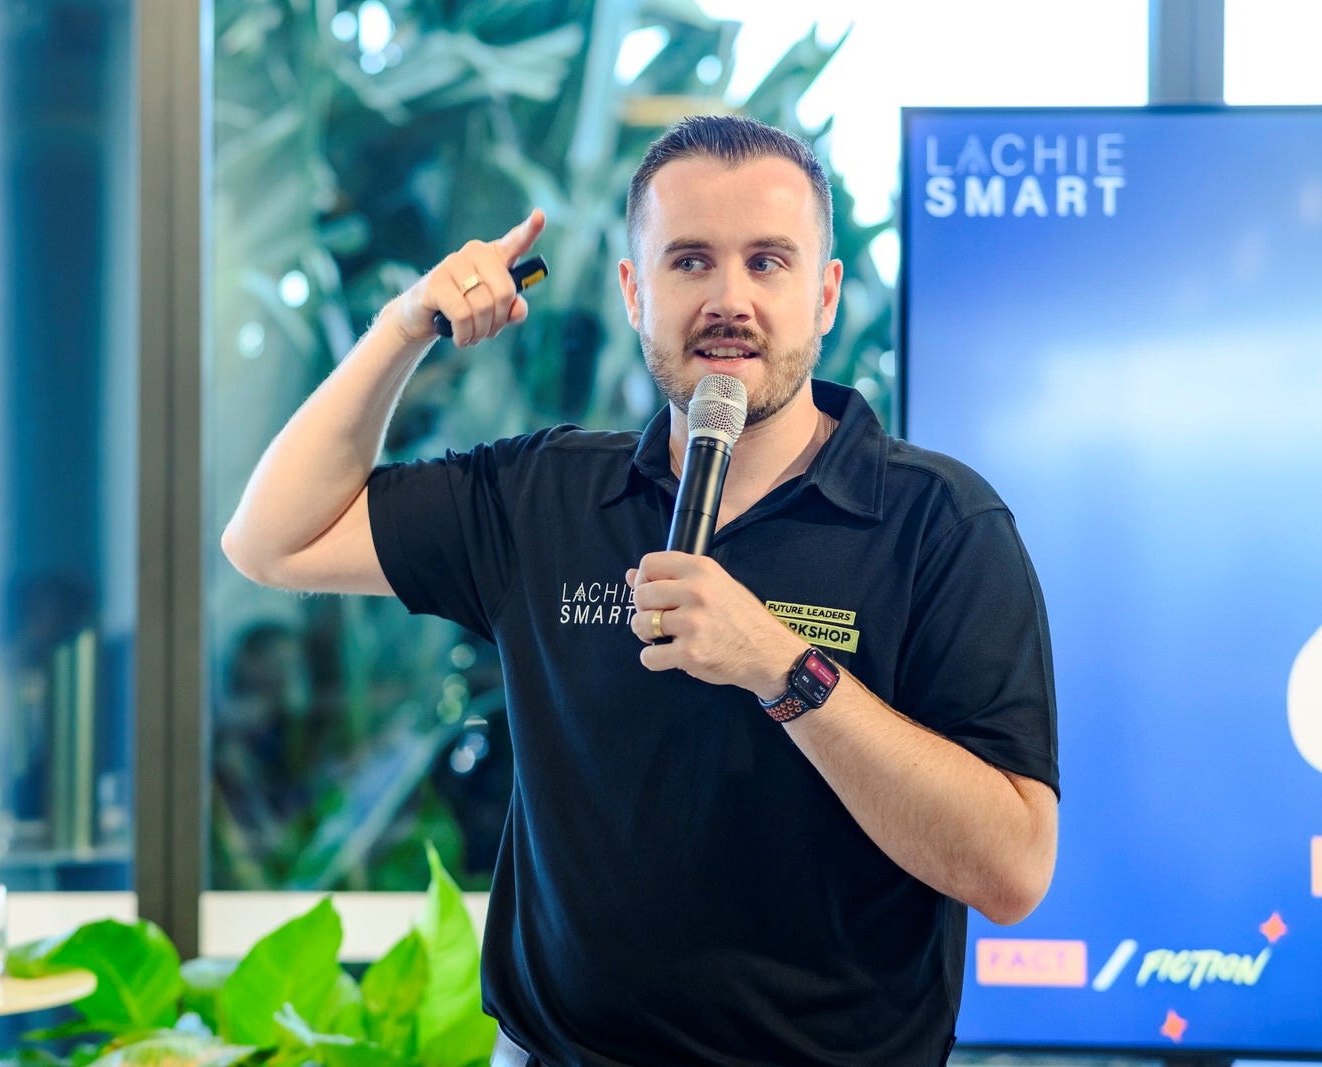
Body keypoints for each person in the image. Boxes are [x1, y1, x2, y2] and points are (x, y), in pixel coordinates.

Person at [222, 114, 1059, 1066]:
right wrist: (405, 326)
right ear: (633, 290)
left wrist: (781, 666)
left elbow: (1013, 869)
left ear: (825, 294)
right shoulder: (542, 496)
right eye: (690, 261)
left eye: (768, 262)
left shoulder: (940, 523)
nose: (729, 300)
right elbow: (270, 540)